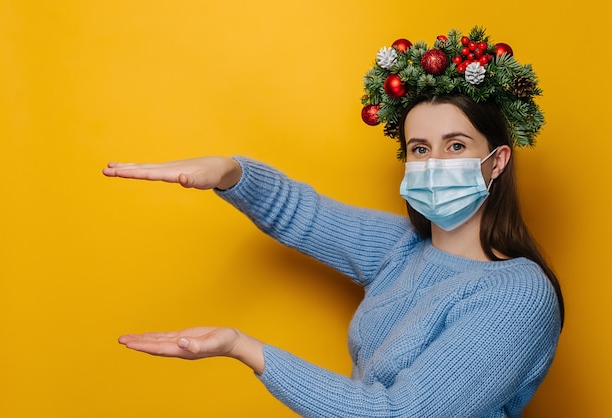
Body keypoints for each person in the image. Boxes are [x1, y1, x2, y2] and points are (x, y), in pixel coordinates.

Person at [103, 27, 564, 417]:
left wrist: (244, 348)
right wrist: (228, 172)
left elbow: (400, 413)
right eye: (420, 149)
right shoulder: (401, 248)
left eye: (456, 145)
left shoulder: (516, 295)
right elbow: (299, 213)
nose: (435, 162)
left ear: (497, 160)